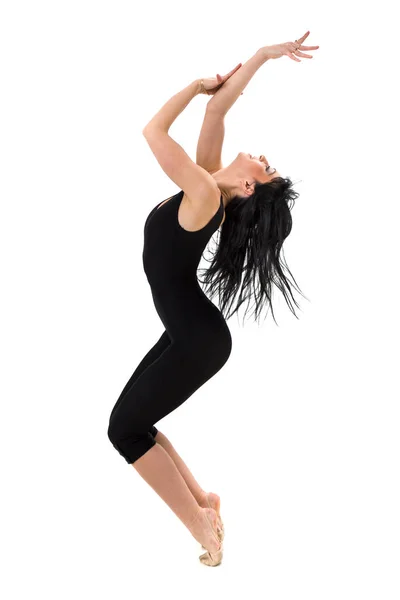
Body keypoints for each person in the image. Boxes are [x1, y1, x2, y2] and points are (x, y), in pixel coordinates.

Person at [107, 31, 319, 567]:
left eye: (265, 170)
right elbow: (219, 110)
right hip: (189, 334)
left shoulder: (203, 194)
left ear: (249, 188)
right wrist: (266, 57)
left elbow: (153, 130)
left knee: (125, 430)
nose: (264, 159)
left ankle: (205, 531)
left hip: (197, 341)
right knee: (133, 425)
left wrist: (193, 86)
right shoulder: (210, 185)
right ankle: (204, 503)